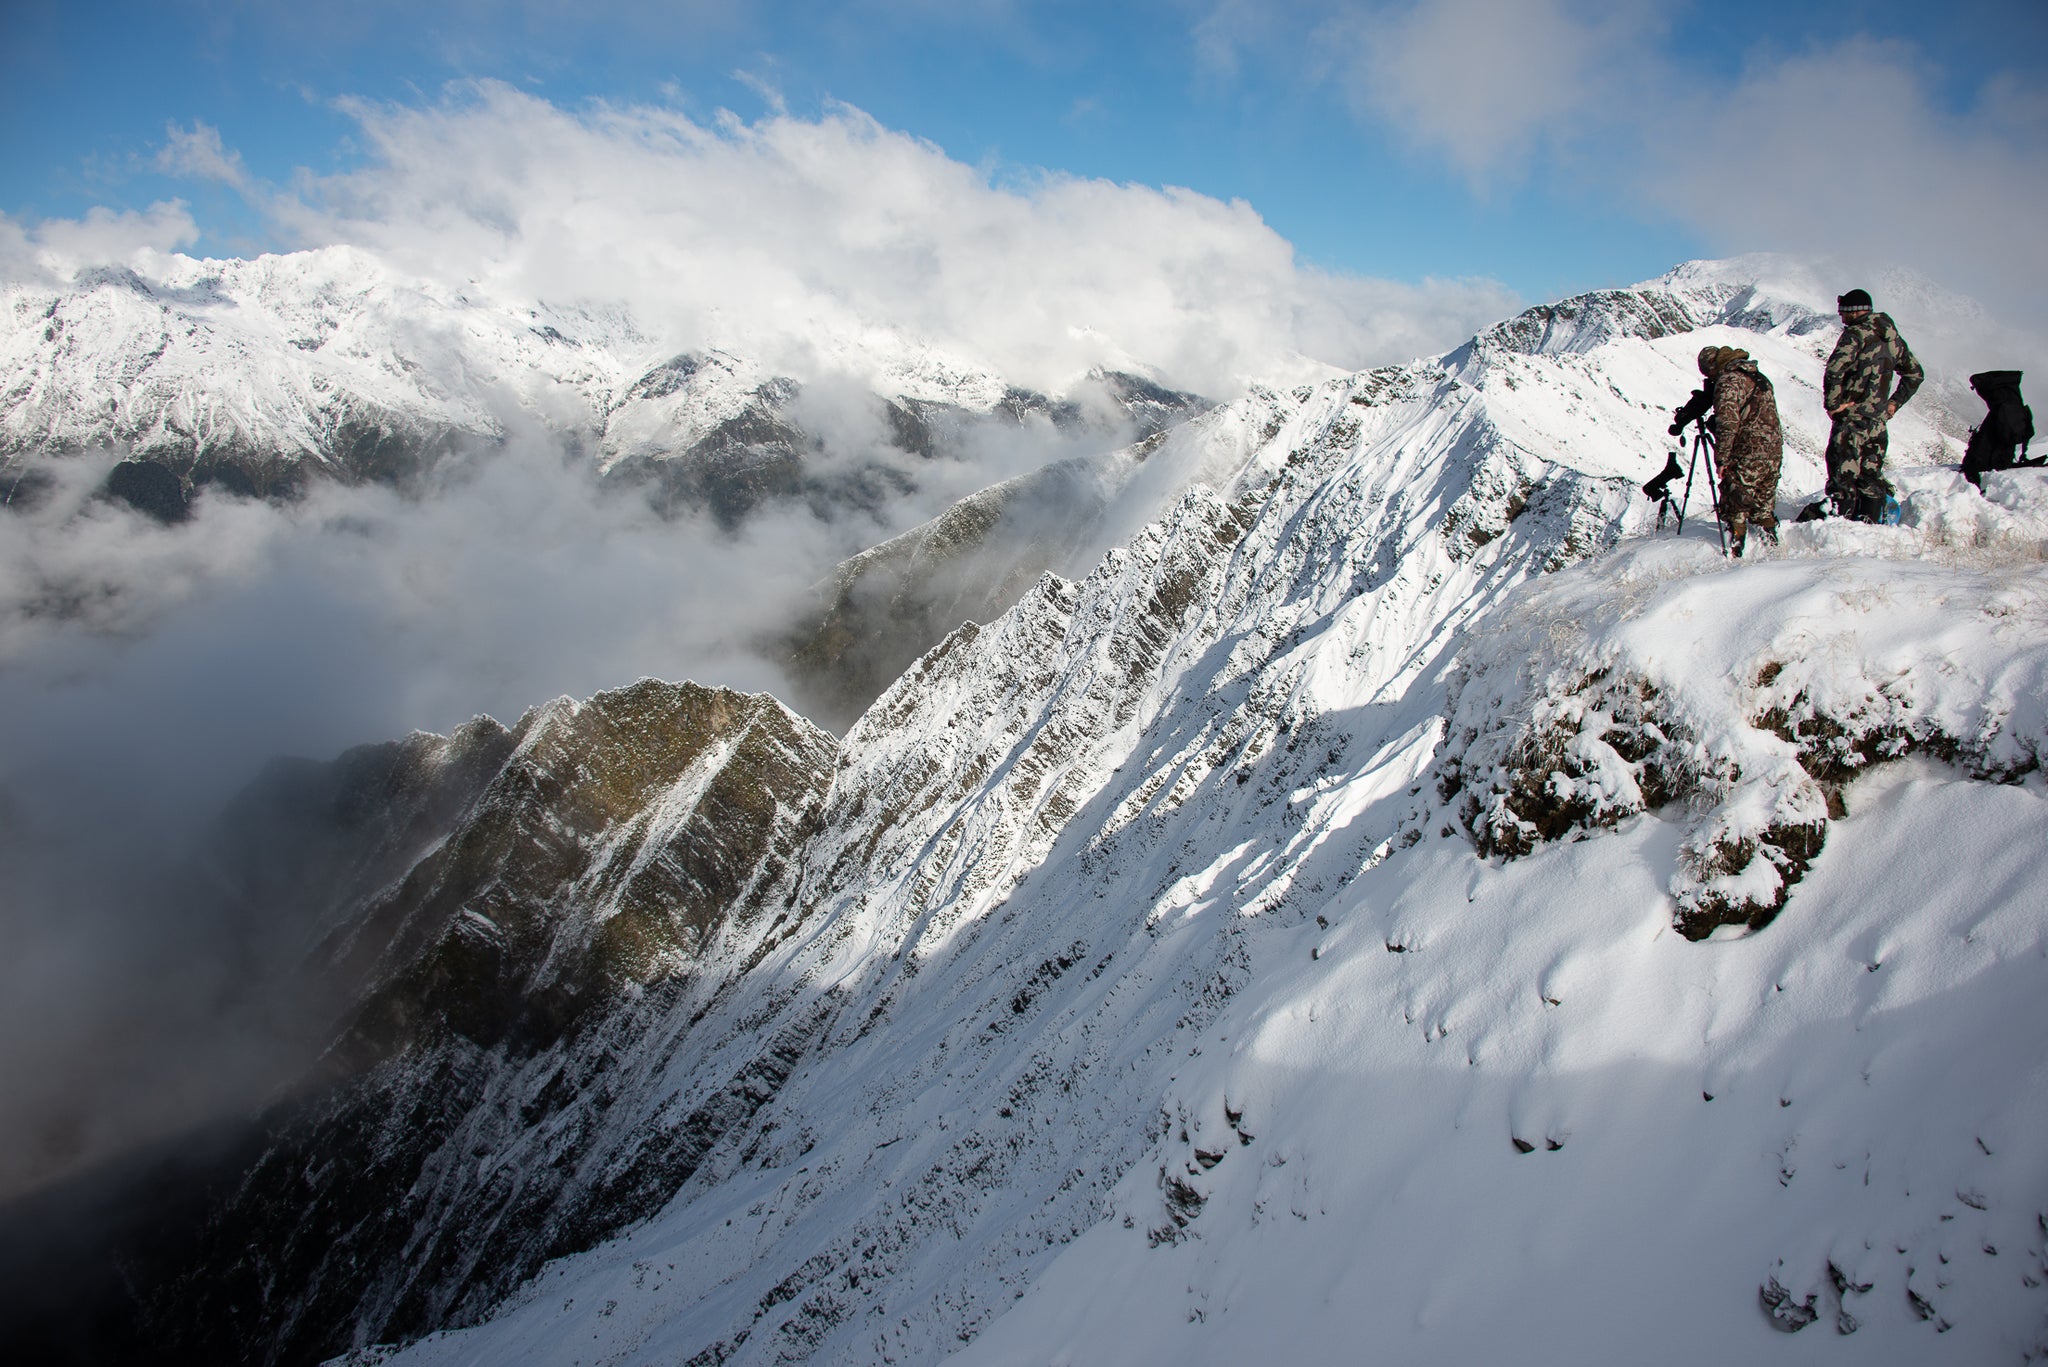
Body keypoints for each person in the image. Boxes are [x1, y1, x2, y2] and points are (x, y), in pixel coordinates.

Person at [1670, 344, 1783, 555]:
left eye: (1709, 373)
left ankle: (1735, 554)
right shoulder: (1758, 376)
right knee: (1763, 507)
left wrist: (1721, 459)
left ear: (1714, 367)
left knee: (1736, 503)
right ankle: (1774, 550)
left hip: (1748, 451)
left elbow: (1728, 423)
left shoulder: (1729, 381)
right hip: (1773, 451)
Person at [1823, 288, 1922, 521]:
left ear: (1853, 311)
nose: (1841, 318)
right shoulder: (1891, 338)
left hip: (1852, 421)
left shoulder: (1855, 335)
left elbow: (1835, 369)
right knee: (1870, 480)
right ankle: (1870, 528)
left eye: (1843, 313)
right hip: (1877, 423)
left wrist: (1833, 405)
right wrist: (1893, 404)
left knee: (1843, 480)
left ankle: (1840, 531)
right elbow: (1915, 374)